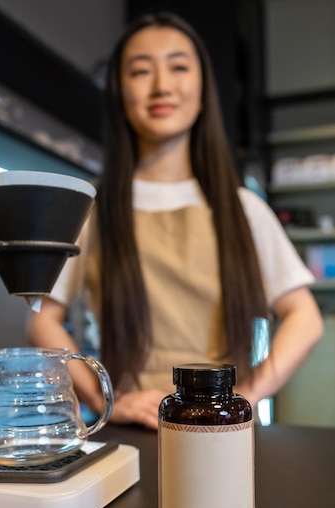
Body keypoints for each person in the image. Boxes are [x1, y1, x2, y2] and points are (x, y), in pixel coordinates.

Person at [27, 12, 323, 430]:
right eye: (141, 71)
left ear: (203, 90)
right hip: (128, 433)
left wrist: (247, 397)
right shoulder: (91, 208)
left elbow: (304, 317)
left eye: (179, 67)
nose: (162, 85)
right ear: (119, 93)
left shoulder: (243, 209)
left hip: (223, 434)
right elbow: (41, 318)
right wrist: (104, 399)